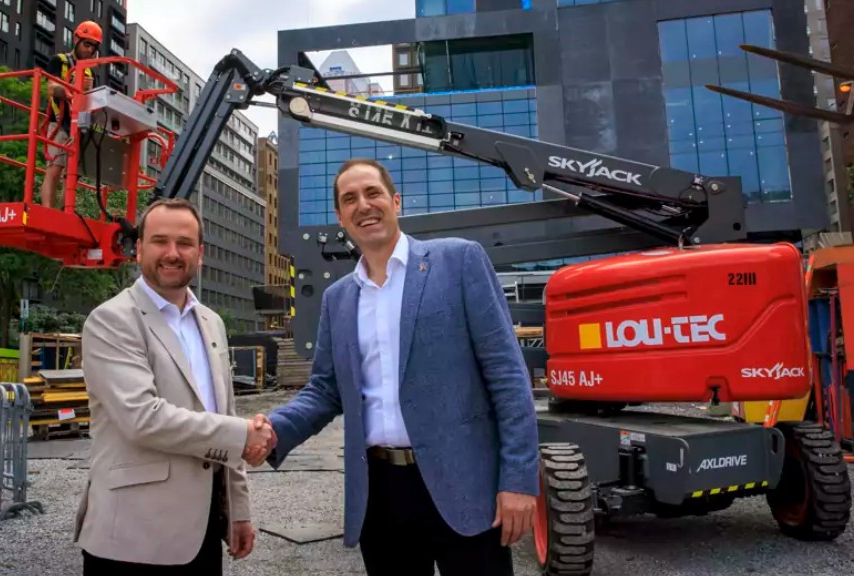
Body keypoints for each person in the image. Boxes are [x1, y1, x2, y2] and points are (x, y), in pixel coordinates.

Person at [253, 158, 541, 575]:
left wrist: (518, 480)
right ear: (340, 216)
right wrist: (275, 429)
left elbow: (508, 377)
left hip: (465, 484)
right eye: (350, 199)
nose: (363, 205)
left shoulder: (459, 263)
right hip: (381, 494)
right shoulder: (338, 299)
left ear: (396, 201)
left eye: (373, 193)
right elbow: (324, 389)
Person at [73, 198, 275, 574]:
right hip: (132, 539)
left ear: (200, 254)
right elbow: (143, 418)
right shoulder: (111, 321)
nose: (172, 253)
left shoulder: (211, 323)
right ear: (138, 250)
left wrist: (238, 511)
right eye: (159, 241)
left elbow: (222, 413)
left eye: (184, 243)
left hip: (199, 538)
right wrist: (244, 434)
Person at [41, 20, 101, 209]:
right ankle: (48, 211)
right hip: (58, 123)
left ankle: (65, 212)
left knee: (73, 173)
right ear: (76, 40)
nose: (89, 50)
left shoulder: (91, 72)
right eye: (87, 44)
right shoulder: (59, 61)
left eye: (93, 47)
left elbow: (92, 103)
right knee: (55, 169)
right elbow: (51, 88)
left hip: (78, 126)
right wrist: (74, 89)